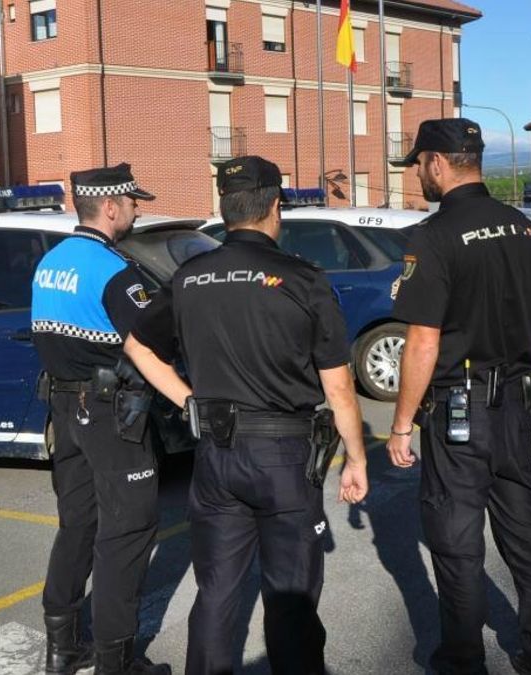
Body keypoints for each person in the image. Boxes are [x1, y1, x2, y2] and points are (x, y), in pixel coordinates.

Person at [124, 156, 369, 675]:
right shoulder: (303, 278)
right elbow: (339, 387)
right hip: (285, 457)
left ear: (225, 208)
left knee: (216, 592)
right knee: (291, 597)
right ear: (275, 206)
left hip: (216, 454)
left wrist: (189, 400)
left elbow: (138, 346)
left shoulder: (189, 277)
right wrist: (356, 458)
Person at [385, 119, 531, 675]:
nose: (418, 174)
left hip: (458, 412)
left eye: (419, 164)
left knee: (457, 546)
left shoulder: (433, 236)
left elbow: (423, 340)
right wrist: (523, 381)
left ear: (439, 163)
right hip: (513, 406)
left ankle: (463, 661)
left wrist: (400, 425)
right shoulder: (521, 227)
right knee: (527, 538)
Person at [30, 164, 169, 675]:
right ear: (110, 207)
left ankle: (63, 647)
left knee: (78, 524)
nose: (137, 211)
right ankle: (117, 660)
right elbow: (150, 347)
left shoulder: (50, 262)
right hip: (110, 414)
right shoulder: (114, 270)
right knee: (128, 531)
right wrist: (190, 398)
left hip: (65, 409)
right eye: (133, 202)